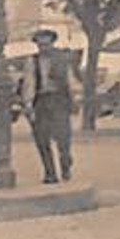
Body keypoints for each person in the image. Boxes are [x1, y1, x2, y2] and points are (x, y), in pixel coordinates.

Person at [20, 29, 79, 184]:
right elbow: (29, 83)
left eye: (46, 44)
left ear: (52, 43)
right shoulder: (32, 61)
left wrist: (74, 99)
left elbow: (70, 80)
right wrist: (28, 104)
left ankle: (65, 163)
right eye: (40, 45)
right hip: (41, 101)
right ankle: (50, 173)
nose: (43, 48)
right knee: (42, 138)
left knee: (63, 138)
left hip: (59, 101)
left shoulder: (63, 59)